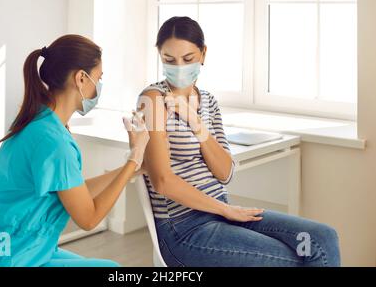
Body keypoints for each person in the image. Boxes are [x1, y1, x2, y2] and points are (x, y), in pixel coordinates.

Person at [137, 16, 341, 267]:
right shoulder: (153, 101)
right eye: (169, 60)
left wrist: (195, 122)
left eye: (188, 59)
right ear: (160, 55)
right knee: (297, 258)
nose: (179, 67)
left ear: (203, 54)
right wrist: (226, 210)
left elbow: (225, 173)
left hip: (221, 214)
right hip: (186, 230)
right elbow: (162, 181)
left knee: (320, 240)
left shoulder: (208, 101)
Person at [0, 34, 149, 267]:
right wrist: (133, 159)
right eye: (99, 77)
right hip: (3, 257)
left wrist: (131, 170)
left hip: (1, 247)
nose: (100, 86)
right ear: (81, 79)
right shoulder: (54, 142)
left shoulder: (42, 121)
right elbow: (89, 218)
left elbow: (76, 191)